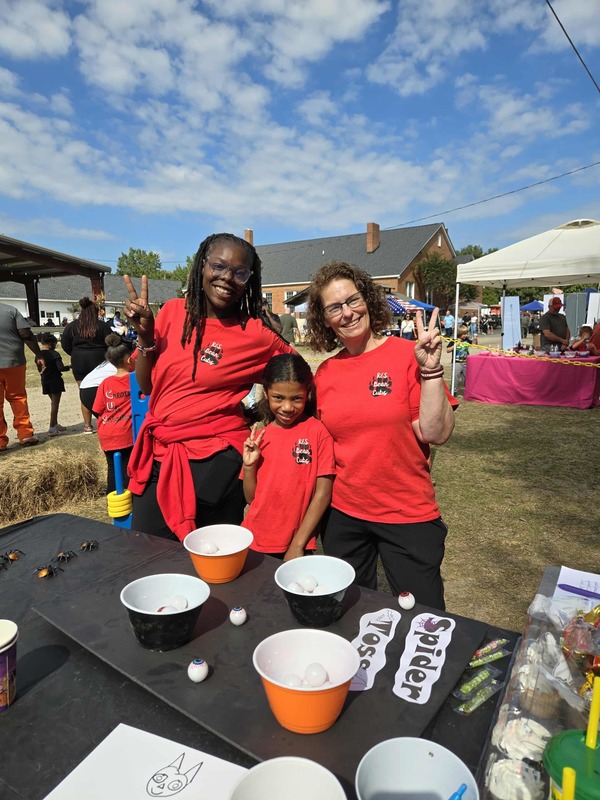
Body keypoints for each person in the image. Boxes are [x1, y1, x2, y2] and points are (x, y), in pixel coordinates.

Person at [122, 232, 295, 541]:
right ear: (202, 265)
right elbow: (147, 385)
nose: (227, 277)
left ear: (248, 280)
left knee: (214, 566)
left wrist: (263, 413)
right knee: (148, 556)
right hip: (160, 456)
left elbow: (298, 376)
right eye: (219, 266)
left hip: (217, 463)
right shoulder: (173, 312)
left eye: (239, 272)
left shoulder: (256, 333)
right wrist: (146, 339)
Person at [306, 262, 457, 610]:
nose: (347, 313)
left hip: (406, 512)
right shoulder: (326, 373)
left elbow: (436, 432)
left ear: (368, 301)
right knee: (351, 610)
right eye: (334, 308)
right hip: (343, 513)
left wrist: (431, 369)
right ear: (324, 319)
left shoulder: (408, 356)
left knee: (424, 617)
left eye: (353, 300)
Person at [241, 354, 335, 560]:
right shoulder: (259, 437)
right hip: (256, 540)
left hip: (297, 544)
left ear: (307, 394)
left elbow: (323, 494)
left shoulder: (318, 433)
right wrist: (249, 467)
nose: (287, 407)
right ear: (265, 393)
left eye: (296, 398)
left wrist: (297, 545)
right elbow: (251, 499)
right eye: (278, 398)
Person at [61, 297, 114, 433]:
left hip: (79, 360)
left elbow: (65, 345)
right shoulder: (102, 326)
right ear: (95, 312)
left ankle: (87, 426)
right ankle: (105, 420)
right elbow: (111, 342)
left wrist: (74, 353)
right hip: (99, 360)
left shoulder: (72, 326)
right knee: (102, 392)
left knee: (84, 392)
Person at [92, 334, 135, 495]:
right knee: (129, 468)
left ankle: (113, 500)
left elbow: (97, 409)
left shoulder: (105, 383)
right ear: (129, 359)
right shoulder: (135, 380)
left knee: (113, 468)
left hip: (107, 433)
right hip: (126, 434)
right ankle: (130, 499)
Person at [0, 302, 46, 449]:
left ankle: (0, 440)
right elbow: (26, 334)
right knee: (18, 397)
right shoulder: (10, 310)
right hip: (14, 361)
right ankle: (25, 434)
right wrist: (38, 354)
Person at [39, 333, 70, 436]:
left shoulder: (38, 355)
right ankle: (52, 427)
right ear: (50, 343)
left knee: (53, 402)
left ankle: (55, 423)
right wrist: (69, 367)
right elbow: (60, 368)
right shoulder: (54, 354)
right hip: (55, 380)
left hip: (45, 380)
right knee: (55, 404)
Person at [447, 325, 471, 392]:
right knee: (455, 377)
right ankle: (453, 391)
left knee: (466, 378)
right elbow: (447, 350)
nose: (465, 335)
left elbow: (474, 344)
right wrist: (455, 345)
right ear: (459, 333)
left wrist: (475, 339)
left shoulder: (467, 340)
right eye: (464, 334)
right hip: (456, 362)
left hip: (465, 362)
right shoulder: (454, 340)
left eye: (466, 334)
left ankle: (468, 391)